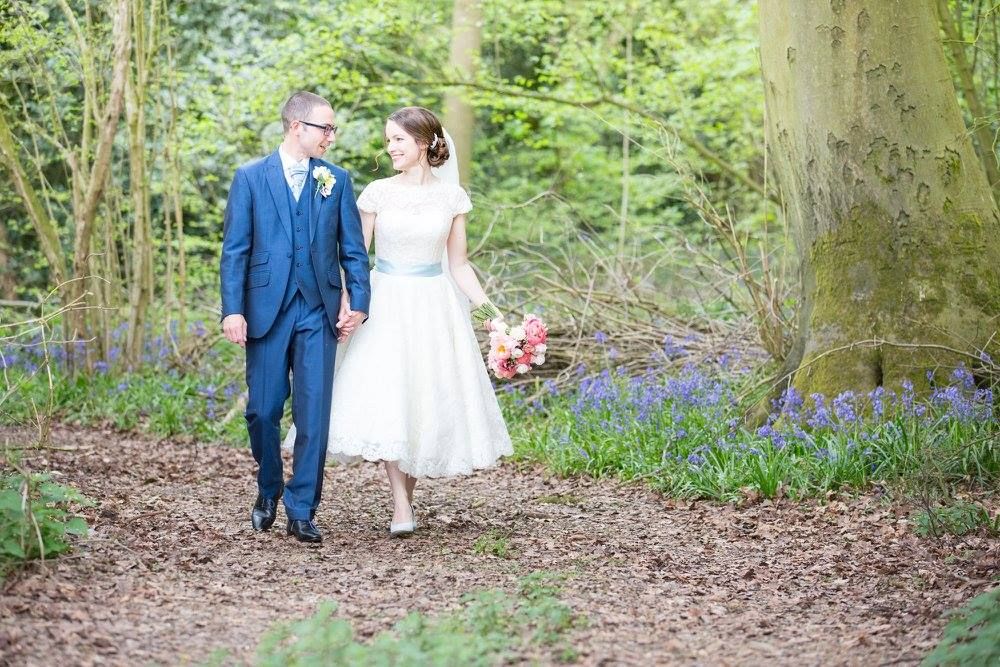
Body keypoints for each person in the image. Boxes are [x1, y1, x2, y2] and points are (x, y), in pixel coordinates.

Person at [288, 106, 512, 537]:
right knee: (391, 394)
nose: (390, 147)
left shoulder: (452, 197)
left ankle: (405, 497)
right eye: (388, 139)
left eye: (398, 140)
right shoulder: (377, 193)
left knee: (419, 397)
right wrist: (347, 302)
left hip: (433, 305)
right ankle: (400, 503)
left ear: (424, 143)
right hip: (386, 301)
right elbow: (354, 256)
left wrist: (489, 313)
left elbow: (459, 265)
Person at [220, 91, 371, 543]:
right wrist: (232, 310)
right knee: (262, 411)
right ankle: (269, 486)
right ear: (296, 127)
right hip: (265, 311)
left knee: (314, 415)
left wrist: (359, 302)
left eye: (333, 129)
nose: (331, 136)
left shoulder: (336, 180)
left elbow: (353, 250)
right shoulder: (250, 177)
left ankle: (302, 508)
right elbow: (235, 250)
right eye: (325, 128)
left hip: (318, 311)